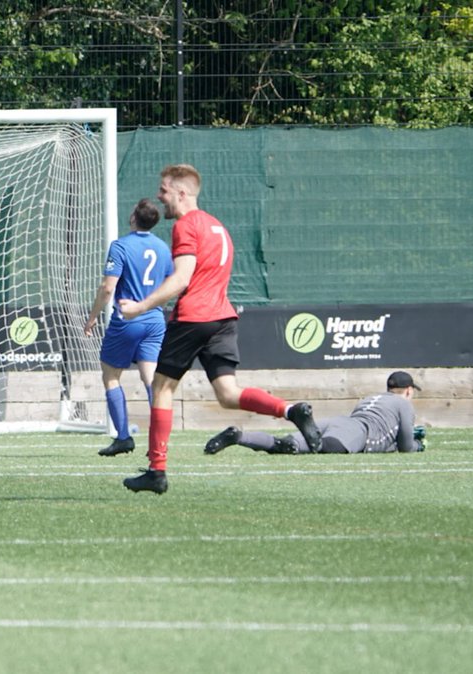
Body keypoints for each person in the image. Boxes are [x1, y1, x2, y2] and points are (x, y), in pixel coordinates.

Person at [117, 164, 321, 495]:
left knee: (162, 388)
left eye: (164, 191)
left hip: (195, 317)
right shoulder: (217, 226)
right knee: (228, 394)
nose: (159, 196)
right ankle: (291, 410)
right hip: (223, 319)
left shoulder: (187, 226)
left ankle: (156, 471)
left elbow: (182, 279)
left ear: (181, 193)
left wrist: (140, 307)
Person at [84, 198, 174, 457]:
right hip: (155, 320)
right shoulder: (162, 248)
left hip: (127, 320)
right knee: (151, 381)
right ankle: (159, 441)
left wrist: (92, 317)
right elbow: (169, 284)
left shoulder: (121, 246)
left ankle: (123, 437)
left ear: (134, 217)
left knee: (111, 376)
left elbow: (108, 288)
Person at [204, 371, 426, 455]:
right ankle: (241, 436)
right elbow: (406, 447)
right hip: (356, 432)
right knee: (320, 448)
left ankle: (240, 436)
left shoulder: (369, 398)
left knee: (286, 444)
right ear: (408, 390)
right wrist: (419, 445)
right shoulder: (404, 404)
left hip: (339, 422)